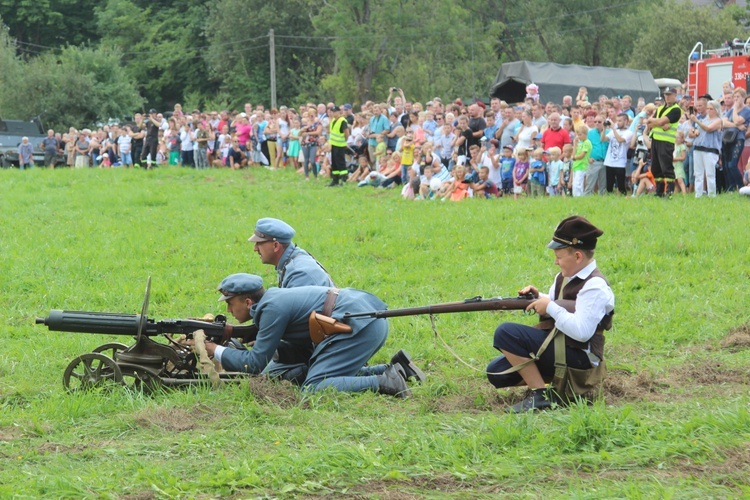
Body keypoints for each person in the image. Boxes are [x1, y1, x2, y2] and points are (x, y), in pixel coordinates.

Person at [204, 273, 424, 397]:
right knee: (326, 369)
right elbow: (300, 348)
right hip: (366, 319)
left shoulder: (271, 309)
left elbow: (254, 364)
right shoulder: (273, 300)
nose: (229, 311)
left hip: (357, 325)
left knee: (314, 386)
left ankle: (384, 382)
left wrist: (215, 350)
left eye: (230, 304)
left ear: (248, 302)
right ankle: (394, 369)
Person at [486, 216, 614, 413]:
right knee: (497, 372)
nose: (556, 262)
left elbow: (582, 332)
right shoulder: (563, 277)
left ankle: (542, 395)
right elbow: (559, 303)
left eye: (559, 257)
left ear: (578, 256)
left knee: (505, 333)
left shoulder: (595, 286)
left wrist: (550, 307)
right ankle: (552, 388)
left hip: (581, 357)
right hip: (563, 346)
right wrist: (539, 297)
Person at [249, 218, 334, 289]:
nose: (255, 249)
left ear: (276, 246)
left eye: (259, 244)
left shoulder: (299, 275)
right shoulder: (290, 260)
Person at [646, 87, 682, 196]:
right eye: (665, 94)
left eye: (670, 94)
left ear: (675, 95)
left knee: (666, 167)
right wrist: (658, 123)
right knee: (656, 168)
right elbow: (650, 123)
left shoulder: (676, 109)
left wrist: (656, 121)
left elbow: (660, 121)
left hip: (666, 141)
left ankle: (669, 192)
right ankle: (659, 191)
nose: (667, 97)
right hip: (656, 139)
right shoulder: (660, 108)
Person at [689, 99, 723, 198]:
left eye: (711, 109)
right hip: (698, 147)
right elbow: (694, 131)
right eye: (708, 108)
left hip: (710, 149)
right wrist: (695, 132)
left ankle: (712, 194)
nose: (709, 111)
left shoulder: (718, 121)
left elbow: (708, 129)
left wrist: (696, 121)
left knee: (710, 173)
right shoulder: (704, 120)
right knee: (698, 173)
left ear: (716, 110)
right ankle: (698, 193)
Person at [601, 113, 634, 195]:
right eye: (617, 121)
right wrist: (604, 129)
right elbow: (603, 139)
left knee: (621, 186)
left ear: (626, 121)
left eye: (620, 121)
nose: (617, 123)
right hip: (609, 162)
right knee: (609, 187)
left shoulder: (629, 132)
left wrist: (613, 128)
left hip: (620, 163)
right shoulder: (613, 131)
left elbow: (620, 140)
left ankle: (622, 199)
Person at [327, 106, 349, 186]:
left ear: (339, 111)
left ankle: (344, 179)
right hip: (333, 144)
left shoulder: (342, 121)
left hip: (340, 145)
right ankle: (335, 179)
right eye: (332, 111)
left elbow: (346, 132)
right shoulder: (333, 120)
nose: (333, 113)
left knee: (340, 162)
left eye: (335, 111)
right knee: (334, 163)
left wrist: (345, 140)